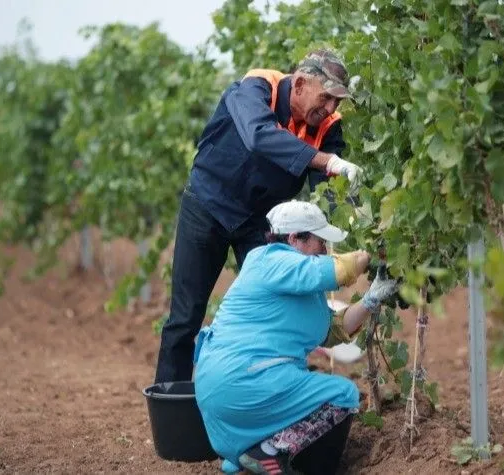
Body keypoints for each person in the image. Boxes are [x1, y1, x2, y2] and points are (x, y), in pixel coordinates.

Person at [155, 49, 364, 384]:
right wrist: (325, 161)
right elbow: (258, 136)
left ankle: (286, 392)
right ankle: (172, 406)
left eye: (337, 102)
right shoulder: (256, 89)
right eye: (325, 98)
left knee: (282, 305)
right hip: (207, 207)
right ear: (298, 84)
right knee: (185, 318)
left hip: (259, 223)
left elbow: (330, 191)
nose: (329, 109)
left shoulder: (327, 126)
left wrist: (352, 218)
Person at [193, 201, 398, 474]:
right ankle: (270, 452)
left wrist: (371, 299)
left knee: (296, 393)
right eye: (319, 240)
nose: (324, 249)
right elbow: (339, 270)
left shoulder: (301, 285)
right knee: (343, 395)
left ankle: (244, 455)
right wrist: (374, 253)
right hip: (243, 381)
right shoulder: (270, 259)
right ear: (293, 239)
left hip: (227, 390)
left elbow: (334, 329)